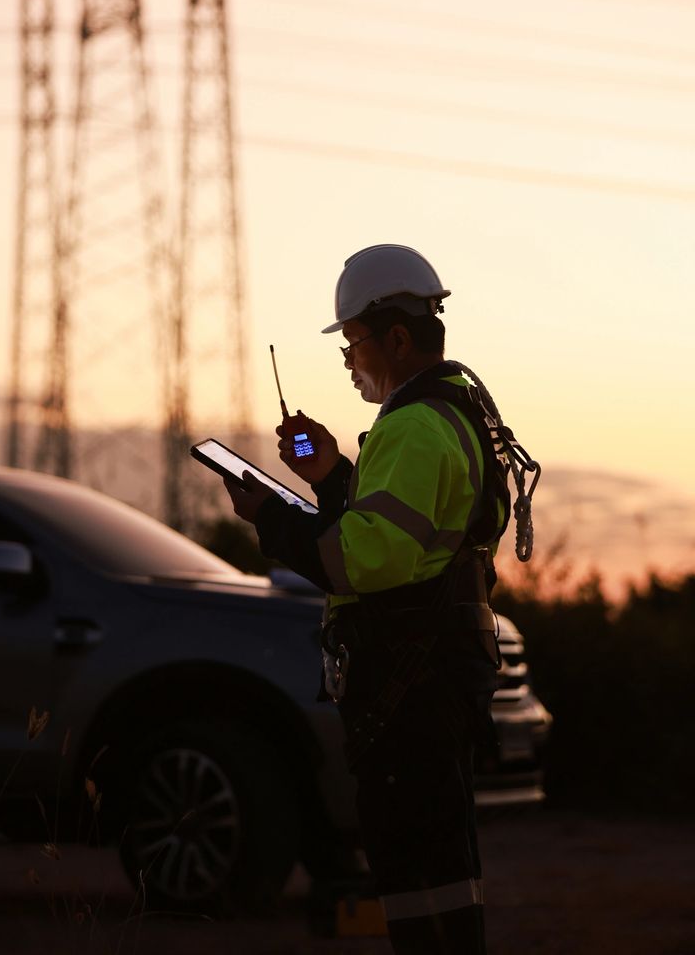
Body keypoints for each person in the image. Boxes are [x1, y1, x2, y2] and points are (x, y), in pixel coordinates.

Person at [223, 243, 536, 955]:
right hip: (434, 679)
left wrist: (270, 518)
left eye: (354, 341)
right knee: (442, 865)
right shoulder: (450, 414)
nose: (348, 358)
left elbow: (357, 560)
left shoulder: (412, 427)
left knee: (416, 868)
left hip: (408, 685)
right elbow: (401, 539)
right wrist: (332, 475)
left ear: (395, 337)